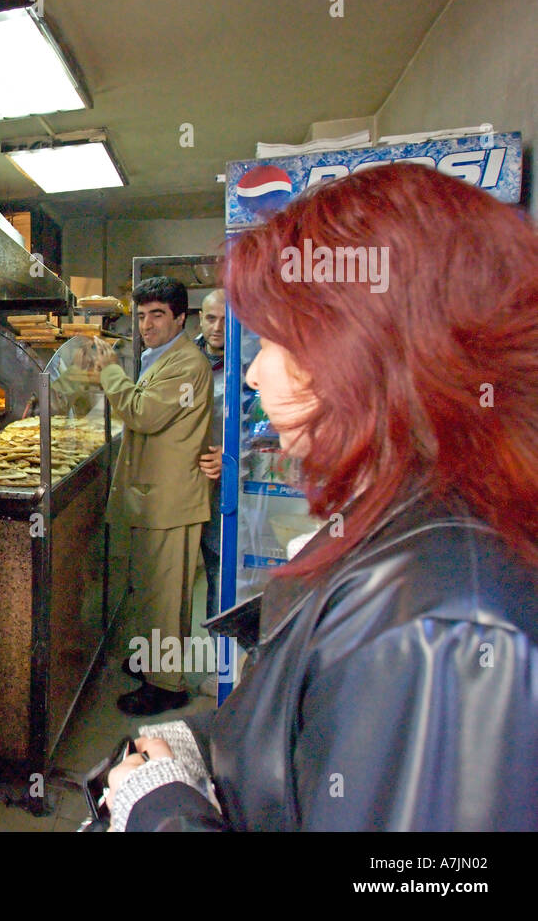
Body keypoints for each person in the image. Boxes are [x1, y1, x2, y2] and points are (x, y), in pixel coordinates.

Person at [101, 163, 538, 831]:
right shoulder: (405, 518)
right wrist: (214, 748)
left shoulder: (443, 624)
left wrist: (159, 807)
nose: (252, 372)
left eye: (280, 340)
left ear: (381, 346)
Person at [97, 276, 212, 716]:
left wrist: (108, 368)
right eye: (142, 315)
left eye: (158, 314)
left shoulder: (187, 364)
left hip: (172, 499)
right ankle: (151, 661)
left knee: (166, 595)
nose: (147, 324)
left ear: (181, 318)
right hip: (154, 497)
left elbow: (142, 413)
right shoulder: (158, 357)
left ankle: (167, 685)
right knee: (150, 590)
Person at [194, 289, 226, 621]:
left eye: (226, 320)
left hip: (227, 484)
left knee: (219, 565)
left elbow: (265, 428)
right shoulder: (185, 359)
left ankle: (225, 666)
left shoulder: (248, 367)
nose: (217, 327)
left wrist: (232, 456)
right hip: (187, 482)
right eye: (211, 318)